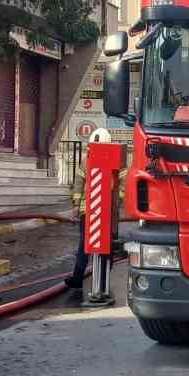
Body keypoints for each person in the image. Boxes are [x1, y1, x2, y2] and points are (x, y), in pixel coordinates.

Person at [69, 128, 116, 305]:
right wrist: (75, 205)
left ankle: (98, 281)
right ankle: (81, 278)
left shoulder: (103, 159)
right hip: (90, 210)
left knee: (101, 247)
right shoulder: (86, 160)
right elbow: (79, 183)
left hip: (100, 210)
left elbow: (120, 184)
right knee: (88, 245)